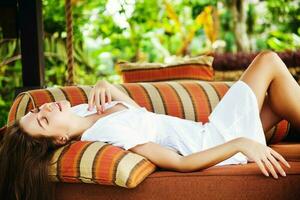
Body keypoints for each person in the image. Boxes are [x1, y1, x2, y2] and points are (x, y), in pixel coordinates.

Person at [0, 51, 299, 200]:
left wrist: (106, 84)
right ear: (62, 139)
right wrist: (241, 144)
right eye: (42, 119)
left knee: (277, 99)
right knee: (268, 60)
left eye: (38, 109)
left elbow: (135, 110)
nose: (46, 108)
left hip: (210, 130)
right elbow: (181, 163)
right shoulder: (105, 134)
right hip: (214, 141)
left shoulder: (83, 109)